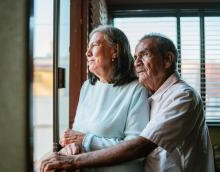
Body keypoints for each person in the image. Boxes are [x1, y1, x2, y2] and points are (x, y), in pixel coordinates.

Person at [40, 33, 215, 172]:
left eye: (144, 55)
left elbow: (139, 147)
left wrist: (73, 160)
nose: (137, 62)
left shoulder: (183, 96)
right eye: (135, 56)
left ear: (168, 60)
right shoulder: (151, 93)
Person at [49, 25, 150, 172]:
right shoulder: (87, 87)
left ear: (115, 51)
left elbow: (135, 148)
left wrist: (85, 140)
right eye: (87, 47)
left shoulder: (136, 90)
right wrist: (72, 145)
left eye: (94, 45)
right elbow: (77, 133)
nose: (87, 53)